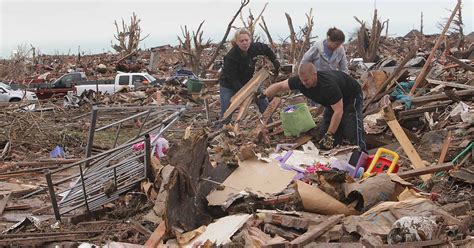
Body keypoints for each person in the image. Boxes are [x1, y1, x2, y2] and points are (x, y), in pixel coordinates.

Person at [263, 63, 366, 151]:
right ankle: (333, 156)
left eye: (306, 80)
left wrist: (330, 134)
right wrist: (264, 94)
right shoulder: (300, 81)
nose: (304, 83)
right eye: (302, 80)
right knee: (323, 135)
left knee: (351, 128)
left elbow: (338, 111)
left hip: (351, 96)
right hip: (332, 102)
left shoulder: (328, 85)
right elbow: (280, 86)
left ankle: (361, 154)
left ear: (314, 75)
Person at [219, 28, 280, 121]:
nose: (244, 43)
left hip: (250, 81)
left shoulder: (255, 48)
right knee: (227, 112)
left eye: (246, 40)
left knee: (263, 101)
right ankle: (222, 129)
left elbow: (267, 49)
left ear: (250, 40)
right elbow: (232, 79)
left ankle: (269, 125)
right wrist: (245, 92)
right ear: (237, 42)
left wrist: (275, 60)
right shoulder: (231, 57)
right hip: (229, 85)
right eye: (241, 41)